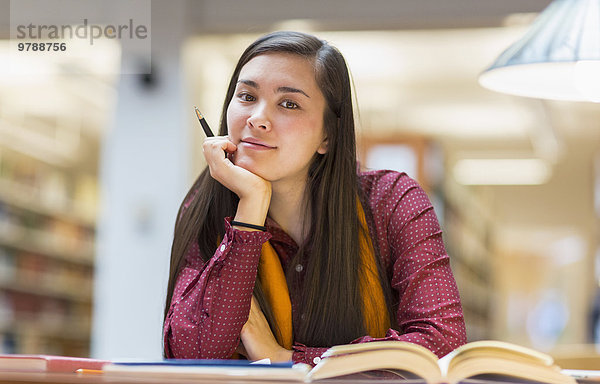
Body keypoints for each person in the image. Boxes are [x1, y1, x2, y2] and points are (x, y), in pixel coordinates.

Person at [163, 31, 466, 366]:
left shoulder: (392, 200)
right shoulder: (205, 206)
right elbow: (192, 356)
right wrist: (250, 207)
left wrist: (290, 361)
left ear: (327, 135)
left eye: (288, 103)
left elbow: (442, 345)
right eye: (247, 96)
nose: (257, 118)